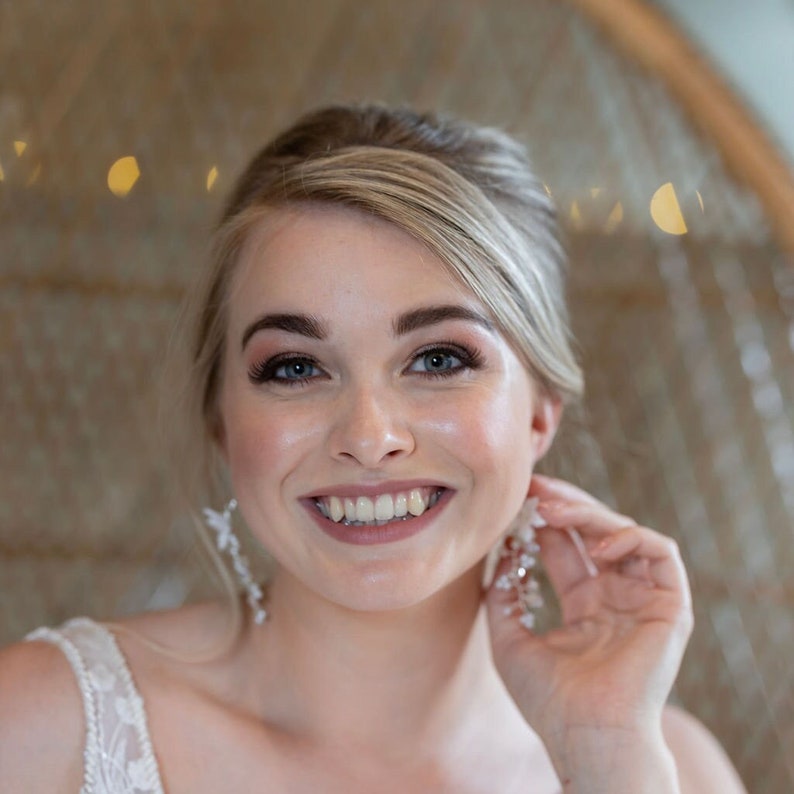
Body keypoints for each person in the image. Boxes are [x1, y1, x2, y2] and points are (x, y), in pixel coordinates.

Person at [0, 104, 746, 793]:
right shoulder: (40, 729)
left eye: (439, 360)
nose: (368, 436)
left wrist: (607, 759)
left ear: (540, 413)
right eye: (295, 368)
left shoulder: (671, 768)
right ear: (222, 418)